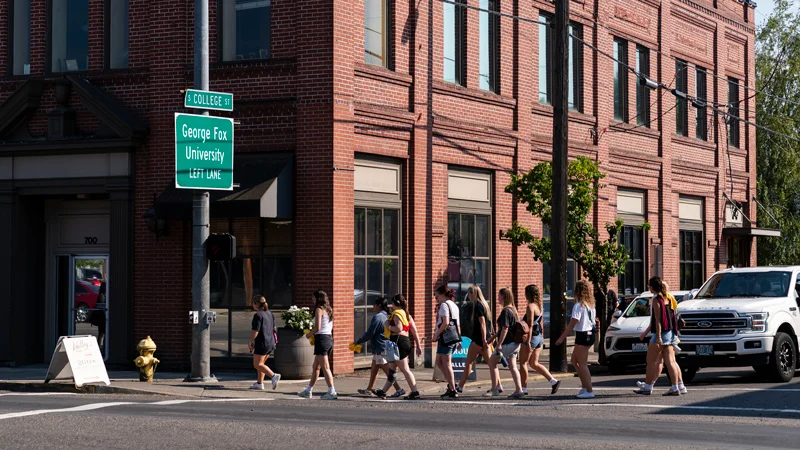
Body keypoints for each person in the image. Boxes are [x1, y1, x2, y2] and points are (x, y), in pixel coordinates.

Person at [635, 277, 686, 396]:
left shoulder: (656, 300)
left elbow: (657, 321)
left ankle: (647, 387)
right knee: (671, 362)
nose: (649, 288)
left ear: (652, 287)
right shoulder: (668, 298)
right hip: (670, 332)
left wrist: (658, 337)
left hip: (661, 334)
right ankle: (675, 387)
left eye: (649, 286)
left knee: (651, 361)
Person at [353, 297, 404, 397]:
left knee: (387, 370)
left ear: (379, 305)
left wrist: (358, 341)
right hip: (384, 346)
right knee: (374, 367)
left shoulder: (378, 317)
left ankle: (399, 389)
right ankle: (369, 389)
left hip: (380, 347)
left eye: (374, 304)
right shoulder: (387, 315)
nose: (373, 306)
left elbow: (370, 333)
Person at [557, 280, 598, 399]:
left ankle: (589, 390)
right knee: (574, 361)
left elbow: (572, 323)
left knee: (582, 364)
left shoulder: (578, 305)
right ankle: (585, 386)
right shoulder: (590, 305)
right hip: (589, 334)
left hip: (583, 335)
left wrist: (561, 338)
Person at [375, 295, 422, 400]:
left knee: (405, 369)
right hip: (404, 341)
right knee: (392, 370)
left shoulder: (396, 314)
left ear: (395, 303)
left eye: (392, 303)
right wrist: (418, 345)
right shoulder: (407, 314)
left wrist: (388, 326)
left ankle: (415, 391)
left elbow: (398, 328)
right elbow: (414, 331)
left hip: (398, 342)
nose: (391, 305)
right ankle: (383, 392)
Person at [519, 284, 561, 395]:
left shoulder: (530, 307)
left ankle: (523, 389)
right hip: (539, 337)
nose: (524, 295)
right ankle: (553, 381)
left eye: (525, 293)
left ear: (528, 294)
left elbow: (530, 325)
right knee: (534, 363)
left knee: (523, 363)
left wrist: (527, 342)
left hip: (531, 337)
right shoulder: (540, 306)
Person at [485, 287, 524, 399]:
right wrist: (493, 338)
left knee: (492, 362)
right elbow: (503, 328)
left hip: (507, 343)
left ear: (503, 296)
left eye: (499, 295)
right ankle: (519, 390)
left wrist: (499, 344)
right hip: (515, 344)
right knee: (513, 366)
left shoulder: (506, 311)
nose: (497, 297)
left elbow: (505, 328)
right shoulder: (513, 310)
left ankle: (494, 389)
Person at [456, 285, 495, 394]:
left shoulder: (478, 306)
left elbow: (482, 324)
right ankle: (497, 385)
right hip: (484, 338)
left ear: (472, 293)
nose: (468, 296)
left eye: (469, 293)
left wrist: (483, 340)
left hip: (479, 339)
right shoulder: (484, 304)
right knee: (491, 364)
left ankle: (460, 386)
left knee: (469, 362)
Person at [298, 290, 337, 400]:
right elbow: (330, 326)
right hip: (328, 338)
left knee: (325, 367)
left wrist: (310, 334)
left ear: (318, 299)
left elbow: (318, 327)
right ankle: (309, 390)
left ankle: (332, 391)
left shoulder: (319, 310)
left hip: (322, 338)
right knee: (316, 367)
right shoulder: (329, 309)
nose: (312, 300)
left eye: (313, 298)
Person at [433, 285, 462, 399]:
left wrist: (436, 335)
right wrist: (459, 340)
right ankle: (451, 385)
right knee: (440, 362)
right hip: (453, 336)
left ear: (442, 294)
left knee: (446, 363)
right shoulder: (454, 305)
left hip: (446, 338)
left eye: (437, 296)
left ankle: (453, 389)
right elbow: (457, 324)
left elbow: (445, 323)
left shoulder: (444, 305)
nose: (437, 298)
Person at [248, 295, 281, 391]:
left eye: (253, 303)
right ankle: (259, 383)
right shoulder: (269, 313)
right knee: (261, 364)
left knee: (257, 364)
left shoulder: (258, 315)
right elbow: (273, 328)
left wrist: (250, 341)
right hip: (270, 342)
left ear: (256, 304)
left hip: (262, 343)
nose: (252, 305)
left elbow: (255, 331)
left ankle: (273, 376)